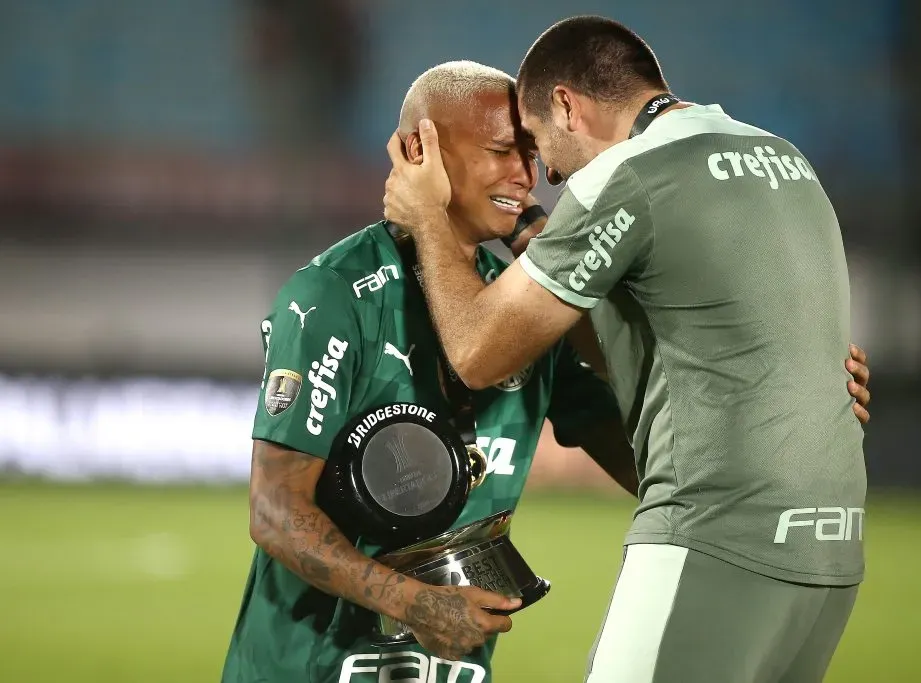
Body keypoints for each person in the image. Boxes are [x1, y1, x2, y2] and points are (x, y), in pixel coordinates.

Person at [381, 16, 870, 683]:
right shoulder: (783, 159)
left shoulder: (633, 175)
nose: (546, 171)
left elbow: (477, 350)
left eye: (538, 142)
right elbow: (683, 326)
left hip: (716, 534)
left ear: (565, 105)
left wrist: (427, 216)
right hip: (828, 552)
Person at [220, 60, 645, 683]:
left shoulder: (522, 310)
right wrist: (414, 603)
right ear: (420, 151)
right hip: (306, 667)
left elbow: (646, 459)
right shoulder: (334, 295)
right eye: (502, 152)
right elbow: (276, 510)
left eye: (530, 155)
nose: (525, 176)